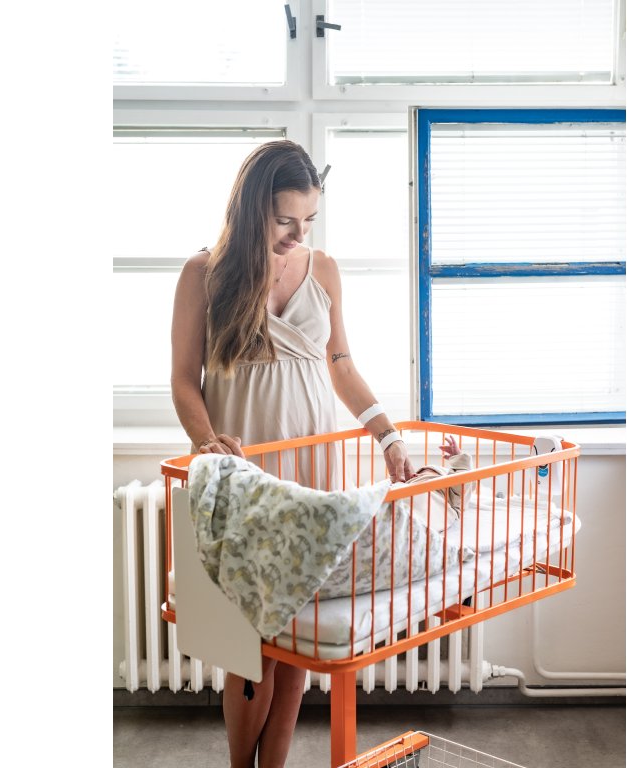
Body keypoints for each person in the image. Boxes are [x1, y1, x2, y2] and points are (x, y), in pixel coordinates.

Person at [170, 139, 412, 768]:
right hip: (244, 473)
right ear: (251, 208)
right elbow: (183, 379)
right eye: (284, 220)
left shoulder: (323, 269)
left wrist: (387, 435)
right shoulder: (203, 274)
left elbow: (341, 365)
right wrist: (207, 442)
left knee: (296, 636)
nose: (298, 234)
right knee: (250, 642)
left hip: (310, 466)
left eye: (309, 219)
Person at [398, 435, 475, 528]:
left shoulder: (450, 495)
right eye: (419, 473)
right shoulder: (407, 484)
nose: (416, 475)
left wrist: (460, 459)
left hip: (425, 505)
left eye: (426, 473)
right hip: (403, 496)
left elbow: (463, 481)